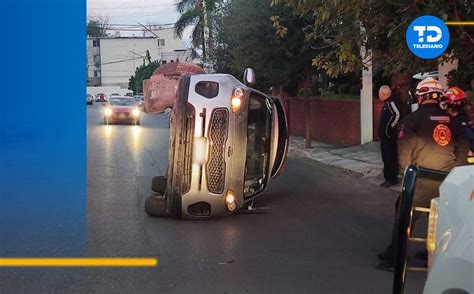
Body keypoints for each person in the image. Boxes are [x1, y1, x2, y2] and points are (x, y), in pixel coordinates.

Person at [376, 77, 461, 271]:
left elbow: (405, 152)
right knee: (443, 220)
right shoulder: (453, 121)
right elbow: (462, 153)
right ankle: (434, 256)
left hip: (421, 179)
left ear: (420, 96)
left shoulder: (413, 120)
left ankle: (394, 259)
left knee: (404, 216)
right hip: (448, 181)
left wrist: (407, 174)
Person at [378, 85, 402, 187]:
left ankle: (391, 178)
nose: (379, 95)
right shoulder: (386, 104)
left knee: (390, 157)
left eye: (380, 94)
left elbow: (397, 114)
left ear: (384, 94)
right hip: (385, 137)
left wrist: (389, 129)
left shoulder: (390, 103)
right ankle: (388, 177)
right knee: (386, 157)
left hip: (389, 137)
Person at [445, 86, 473, 165]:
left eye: (462, 102)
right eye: (458, 102)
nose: (460, 104)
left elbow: (470, 136)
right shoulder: (442, 118)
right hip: (448, 156)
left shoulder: (465, 119)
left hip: (465, 157)